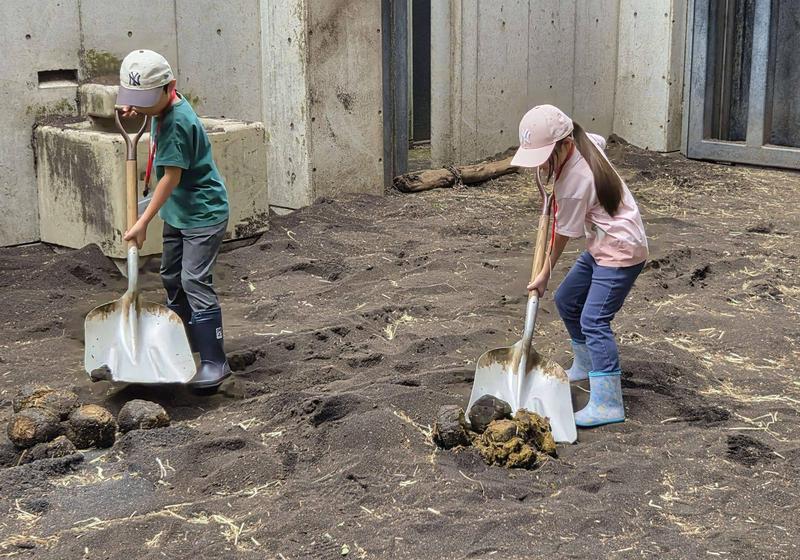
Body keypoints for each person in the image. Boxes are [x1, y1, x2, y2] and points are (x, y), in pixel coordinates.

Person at [510, 105, 648, 427]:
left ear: (566, 144)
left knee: (594, 320)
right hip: (603, 243)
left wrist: (544, 272)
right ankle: (586, 365)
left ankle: (608, 402)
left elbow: (562, 234)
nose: (541, 165)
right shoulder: (585, 141)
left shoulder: (575, 182)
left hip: (620, 251)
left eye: (545, 157)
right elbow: (599, 140)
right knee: (566, 299)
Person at [117, 49, 231, 391]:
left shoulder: (176, 124)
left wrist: (142, 221)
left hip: (202, 213)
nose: (141, 108)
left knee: (193, 279)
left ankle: (214, 360)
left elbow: (170, 179)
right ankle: (182, 338)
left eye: (146, 101)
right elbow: (147, 101)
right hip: (179, 212)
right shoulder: (163, 104)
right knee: (171, 275)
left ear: (171, 87)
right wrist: (138, 104)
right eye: (136, 99)